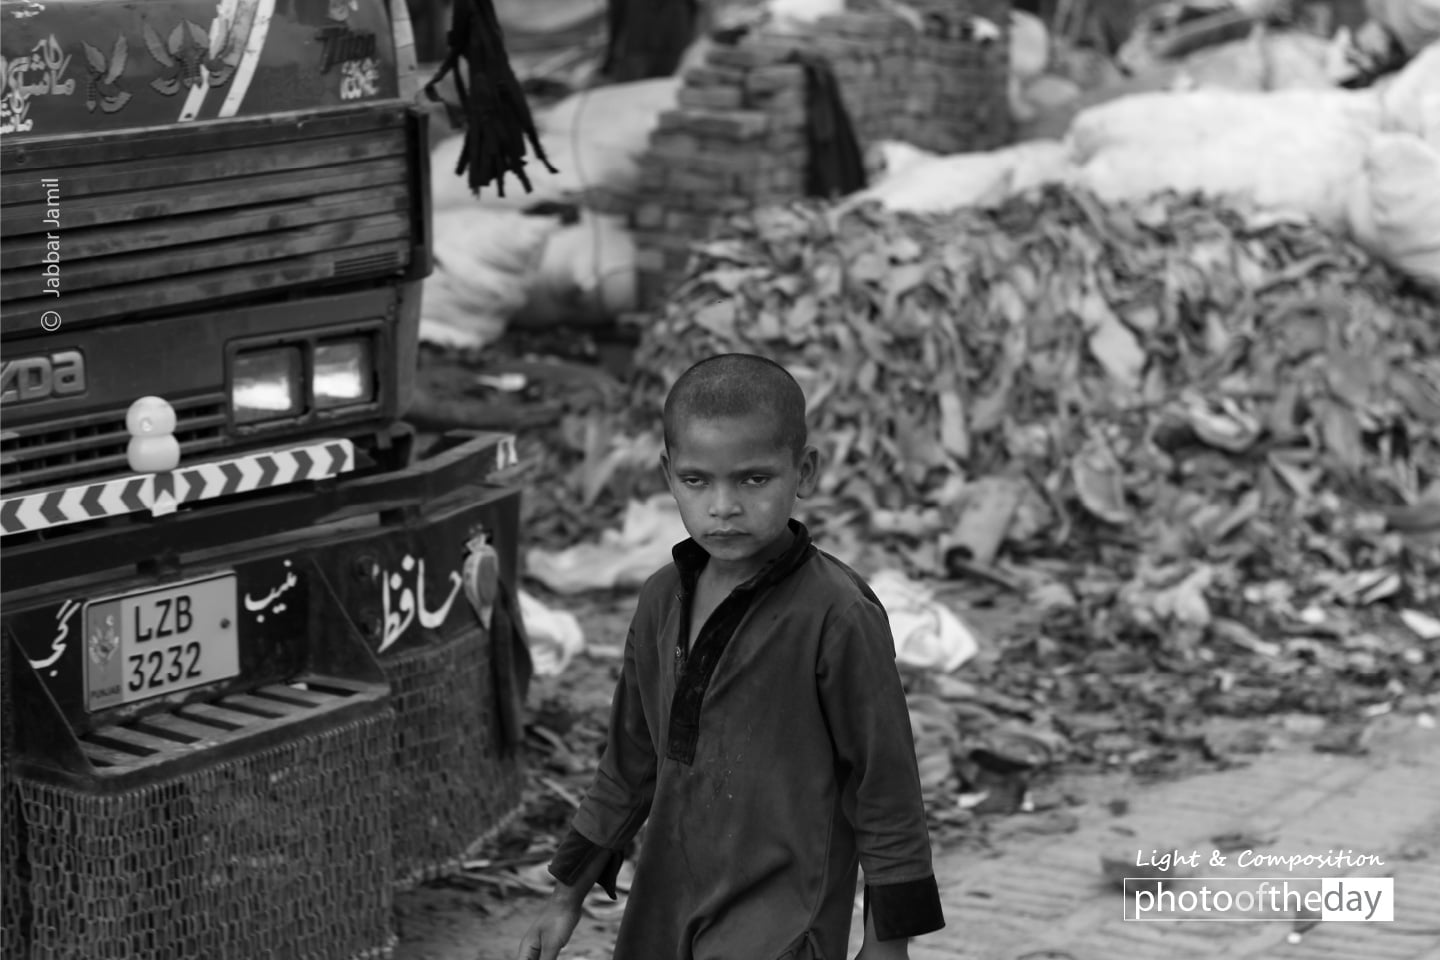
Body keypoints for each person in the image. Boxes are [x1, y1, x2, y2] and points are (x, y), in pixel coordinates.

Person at [516, 353, 944, 960]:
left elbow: (885, 787)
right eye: (697, 481)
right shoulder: (662, 599)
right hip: (662, 913)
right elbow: (628, 765)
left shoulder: (836, 614)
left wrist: (887, 947)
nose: (723, 506)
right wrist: (564, 897)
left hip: (780, 924)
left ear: (805, 472)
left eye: (753, 479)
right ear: (669, 476)